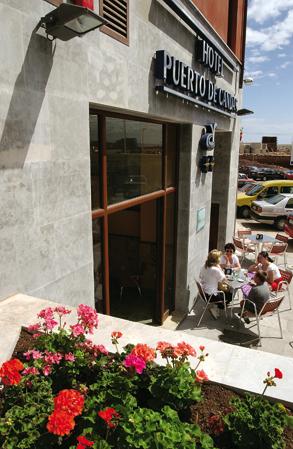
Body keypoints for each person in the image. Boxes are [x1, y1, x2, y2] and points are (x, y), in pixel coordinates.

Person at [199, 250, 232, 318]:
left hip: (204, 293)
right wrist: (219, 267)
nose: (220, 259)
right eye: (219, 257)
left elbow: (200, 276)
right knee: (229, 295)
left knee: (223, 292)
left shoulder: (204, 266)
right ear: (216, 259)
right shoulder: (215, 269)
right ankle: (216, 308)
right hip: (211, 296)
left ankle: (217, 307)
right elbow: (224, 280)